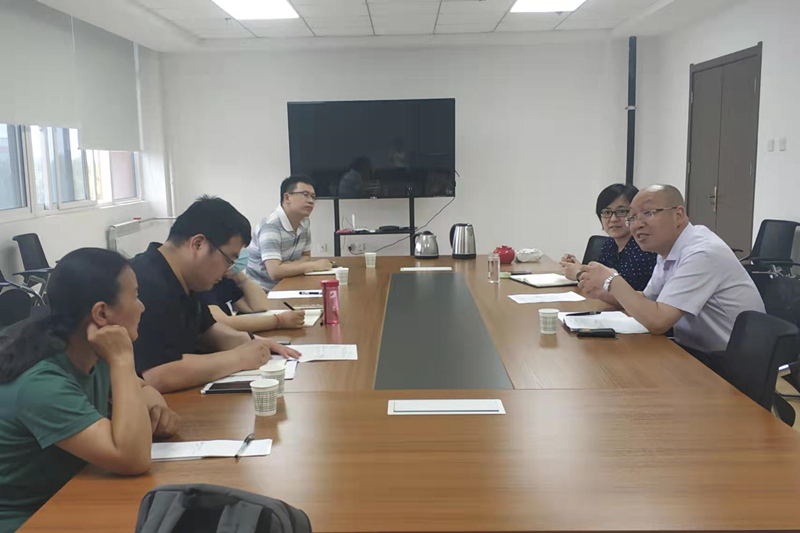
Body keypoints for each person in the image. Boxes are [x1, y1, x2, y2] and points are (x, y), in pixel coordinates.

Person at [0, 248, 180, 533]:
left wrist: (155, 407)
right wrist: (123, 360)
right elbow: (133, 459)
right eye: (135, 296)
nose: (142, 307)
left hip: (72, 497)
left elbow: (142, 386)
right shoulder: (42, 383)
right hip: (29, 519)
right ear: (101, 313)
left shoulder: (84, 347)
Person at [131, 196, 300, 394]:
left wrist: (253, 342)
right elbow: (158, 375)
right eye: (229, 260)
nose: (229, 270)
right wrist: (239, 358)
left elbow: (206, 331)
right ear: (198, 244)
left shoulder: (184, 278)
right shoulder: (145, 284)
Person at [578, 184, 765, 358]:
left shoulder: (702, 252)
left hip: (730, 363)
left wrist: (612, 280)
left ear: (678, 215)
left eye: (648, 213)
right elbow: (647, 300)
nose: (637, 224)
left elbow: (658, 321)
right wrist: (603, 291)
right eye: (632, 217)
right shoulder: (667, 250)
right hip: (693, 352)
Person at [561, 184, 657, 306]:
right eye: (607, 212)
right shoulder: (610, 244)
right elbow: (599, 278)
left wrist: (579, 274)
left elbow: (628, 296)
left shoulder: (644, 247)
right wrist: (580, 267)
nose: (613, 219)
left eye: (621, 211)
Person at [247, 176, 332, 291]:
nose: (311, 201)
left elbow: (306, 256)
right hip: (265, 291)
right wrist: (313, 265)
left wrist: (287, 266)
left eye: (313, 196)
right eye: (305, 194)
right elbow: (274, 272)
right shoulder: (271, 226)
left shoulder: (304, 221)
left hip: (290, 282)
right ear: (287, 197)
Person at [200, 266, 306, 332]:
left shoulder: (223, 278)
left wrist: (239, 275)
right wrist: (279, 321)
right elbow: (221, 323)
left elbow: (259, 306)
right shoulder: (201, 282)